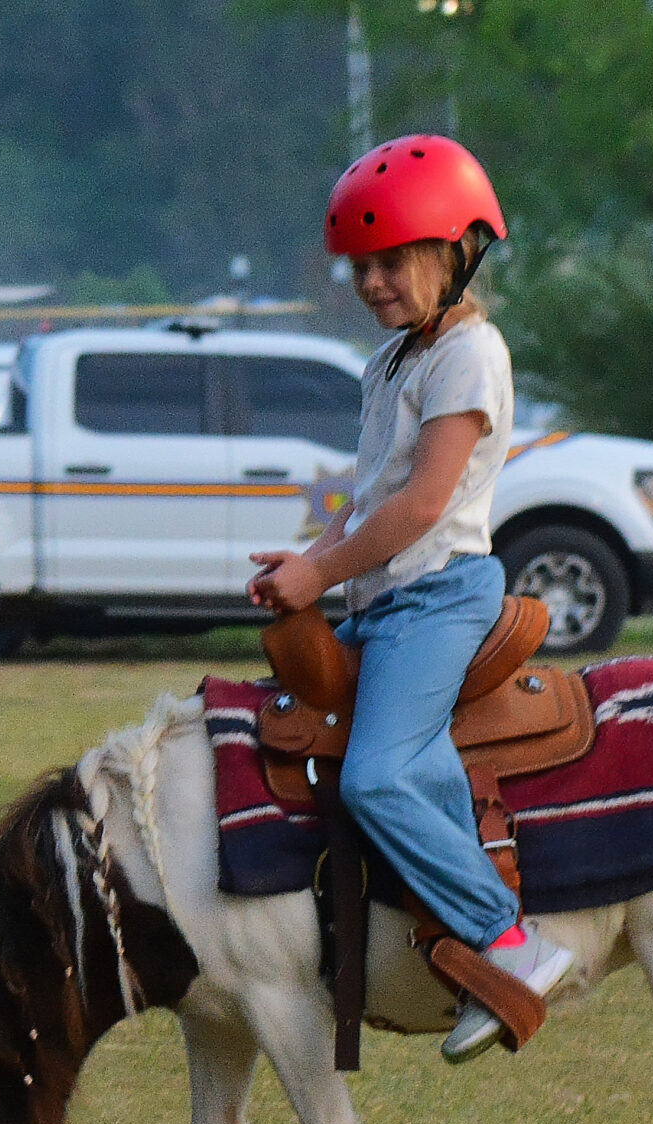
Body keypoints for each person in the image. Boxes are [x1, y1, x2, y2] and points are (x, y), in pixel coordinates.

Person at [246, 134, 574, 1065]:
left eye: (392, 260)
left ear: (458, 250)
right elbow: (379, 494)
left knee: (377, 776)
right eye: (359, 266)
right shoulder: (393, 361)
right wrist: (313, 560)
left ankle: (509, 941)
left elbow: (427, 502)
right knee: (370, 751)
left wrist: (324, 571)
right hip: (385, 598)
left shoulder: (469, 356)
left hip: (439, 599)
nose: (373, 282)